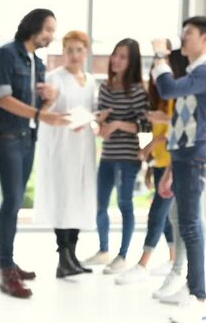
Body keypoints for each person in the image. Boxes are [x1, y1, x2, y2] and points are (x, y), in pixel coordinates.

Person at [0, 8, 69, 298]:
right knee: (11, 202)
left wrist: (51, 99)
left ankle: (2, 261)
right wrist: (40, 111)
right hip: (8, 137)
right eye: (49, 29)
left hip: (27, 137)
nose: (51, 35)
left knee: (16, 202)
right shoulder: (6, 56)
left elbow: (40, 113)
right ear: (34, 27)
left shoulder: (37, 62)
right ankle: (7, 270)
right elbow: (2, 98)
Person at [151, 16, 206, 323]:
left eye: (188, 34)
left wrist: (159, 57)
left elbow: (166, 89)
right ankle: (191, 287)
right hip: (183, 156)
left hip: (194, 157)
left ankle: (199, 296)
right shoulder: (195, 73)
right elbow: (180, 122)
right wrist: (169, 168)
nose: (183, 39)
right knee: (181, 219)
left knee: (190, 224)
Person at [114, 46, 187, 286]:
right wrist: (148, 159)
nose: (158, 68)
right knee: (164, 217)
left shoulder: (179, 97)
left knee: (158, 212)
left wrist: (151, 145)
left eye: (162, 63)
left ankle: (143, 264)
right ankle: (173, 259)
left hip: (172, 163)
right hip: (160, 162)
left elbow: (176, 131)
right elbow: (154, 130)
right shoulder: (159, 97)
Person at [83, 38, 151, 274]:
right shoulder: (106, 88)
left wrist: (119, 124)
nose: (116, 60)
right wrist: (100, 124)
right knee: (100, 204)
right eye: (115, 55)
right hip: (108, 156)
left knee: (124, 205)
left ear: (131, 62)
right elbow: (102, 125)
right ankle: (104, 251)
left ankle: (122, 256)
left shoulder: (138, 91)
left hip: (128, 157)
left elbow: (146, 126)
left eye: (123, 56)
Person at [33, 30, 97, 278]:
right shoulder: (54, 78)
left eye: (78, 49)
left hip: (83, 146)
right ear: (63, 52)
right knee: (64, 199)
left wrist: (93, 119)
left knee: (79, 199)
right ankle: (63, 258)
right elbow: (45, 110)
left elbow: (91, 109)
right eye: (69, 49)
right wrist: (48, 101)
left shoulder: (90, 80)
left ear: (86, 52)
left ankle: (73, 255)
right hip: (62, 148)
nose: (73, 55)